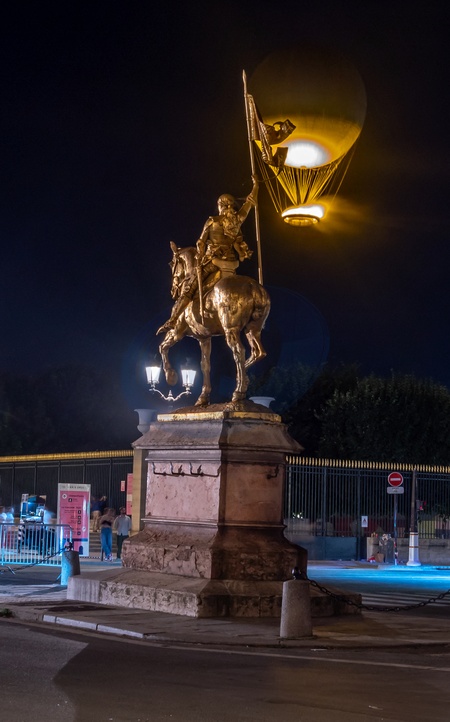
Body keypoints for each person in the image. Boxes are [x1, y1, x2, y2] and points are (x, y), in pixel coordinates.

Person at [156, 176, 258, 334]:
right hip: (232, 264)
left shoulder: (212, 221)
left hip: (214, 263)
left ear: (220, 206)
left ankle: (173, 320)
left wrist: (199, 256)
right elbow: (249, 203)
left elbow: (201, 242)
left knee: (189, 289)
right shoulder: (237, 220)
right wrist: (256, 186)